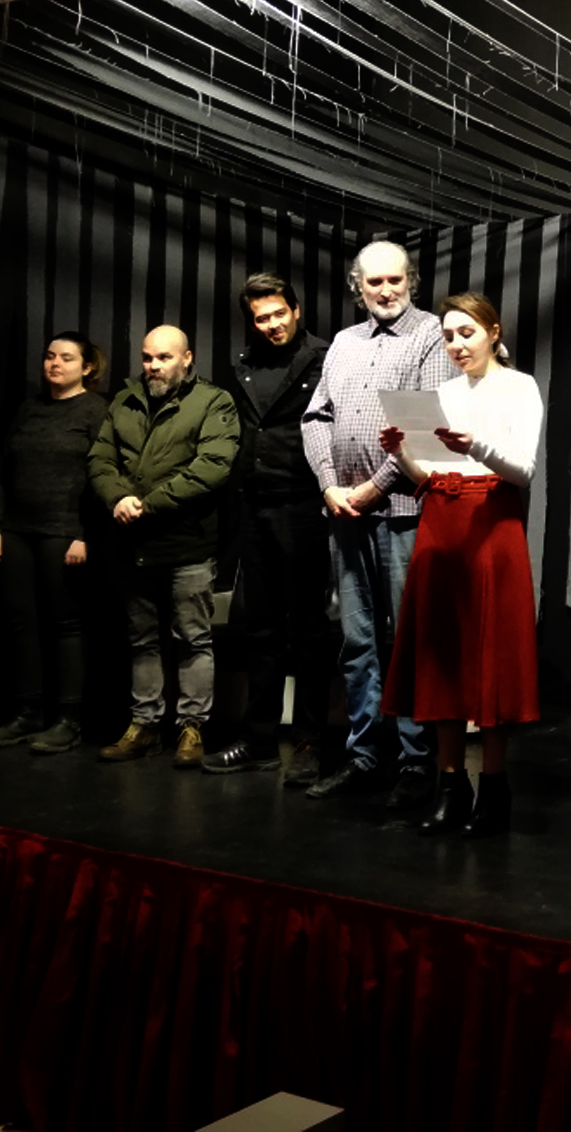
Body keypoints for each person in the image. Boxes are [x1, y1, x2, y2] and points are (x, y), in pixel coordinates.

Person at [378, 292, 543, 838]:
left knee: (492, 658)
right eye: (448, 335)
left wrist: (478, 446)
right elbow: (429, 476)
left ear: (493, 332)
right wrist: (401, 454)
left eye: (466, 333)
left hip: (491, 524)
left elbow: (523, 471)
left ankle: (494, 788)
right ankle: (451, 787)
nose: (456, 344)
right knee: (441, 658)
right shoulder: (443, 393)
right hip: (440, 523)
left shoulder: (519, 387)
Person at [300, 240, 450, 807]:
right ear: (357, 287)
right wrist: (330, 485)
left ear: (411, 280)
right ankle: (364, 756)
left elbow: (426, 425)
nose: (386, 291)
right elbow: (317, 417)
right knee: (357, 640)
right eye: (374, 282)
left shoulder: (430, 334)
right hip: (345, 512)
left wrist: (373, 488)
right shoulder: (344, 342)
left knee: (409, 639)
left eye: (395, 280)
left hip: (403, 511)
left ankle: (416, 762)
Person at [87, 325, 240, 768]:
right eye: (147, 357)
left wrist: (148, 504)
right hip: (133, 543)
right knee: (142, 640)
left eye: (164, 358)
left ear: (187, 358)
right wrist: (118, 497)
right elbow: (100, 458)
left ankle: (192, 727)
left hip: (187, 542)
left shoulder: (213, 401)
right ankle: (145, 725)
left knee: (193, 638)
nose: (153, 366)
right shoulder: (125, 400)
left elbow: (213, 466)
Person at [209, 272, 334, 784]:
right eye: (262, 318)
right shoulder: (243, 363)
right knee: (259, 628)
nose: (273, 324)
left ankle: (308, 743)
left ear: (297, 310)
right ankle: (258, 740)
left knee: (308, 630)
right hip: (254, 505)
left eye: (280, 313)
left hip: (304, 503)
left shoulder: (326, 358)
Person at [0, 331, 111, 755]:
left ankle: (69, 720)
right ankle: (27, 714)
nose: (55, 364)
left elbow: (103, 476)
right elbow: (4, 469)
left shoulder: (96, 411)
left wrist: (84, 534)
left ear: (87, 367)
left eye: (66, 358)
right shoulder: (29, 408)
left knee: (66, 624)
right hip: (17, 529)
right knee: (21, 622)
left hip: (63, 531)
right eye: (50, 356)